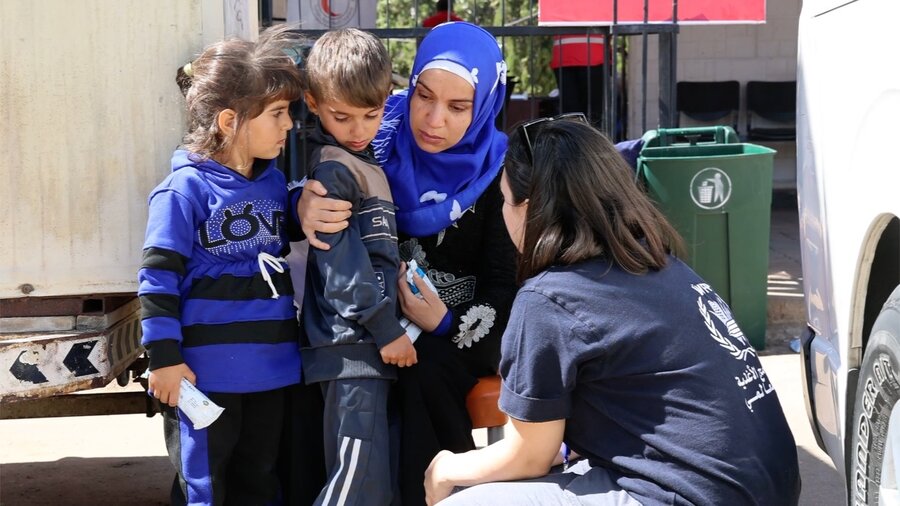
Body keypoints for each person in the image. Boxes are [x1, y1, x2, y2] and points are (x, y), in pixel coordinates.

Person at [422, 117, 802, 505]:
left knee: (464, 501)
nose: (503, 215)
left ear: (532, 209)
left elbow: (529, 456)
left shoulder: (549, 297)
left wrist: (446, 468)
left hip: (692, 494)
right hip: (767, 489)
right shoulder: (663, 267)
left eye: (505, 200)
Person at [297, 22, 519, 505]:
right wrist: (302, 205)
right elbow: (324, 178)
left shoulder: (501, 173)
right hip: (365, 318)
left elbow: (507, 286)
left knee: (422, 372)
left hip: (452, 336)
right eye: (424, 96)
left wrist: (442, 322)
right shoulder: (373, 130)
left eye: (459, 107)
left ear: (483, 107)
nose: (433, 120)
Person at [138, 26, 306, 505]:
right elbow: (157, 280)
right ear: (230, 121)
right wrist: (165, 360)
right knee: (205, 487)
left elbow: (294, 224)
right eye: (277, 114)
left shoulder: (275, 186)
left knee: (261, 480)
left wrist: (305, 204)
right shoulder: (182, 191)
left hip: (272, 374)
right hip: (204, 380)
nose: (289, 125)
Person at [299, 28, 415, 505]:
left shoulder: (363, 162)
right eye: (341, 116)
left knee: (370, 483)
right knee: (354, 485)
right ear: (313, 103)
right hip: (353, 349)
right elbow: (342, 267)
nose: (358, 128)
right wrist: (386, 328)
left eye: (372, 114)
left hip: (365, 349)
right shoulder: (334, 169)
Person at [550, 33, 606, 126]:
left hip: (567, 55)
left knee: (571, 113)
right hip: (593, 55)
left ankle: (575, 138)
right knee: (592, 113)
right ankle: (590, 138)